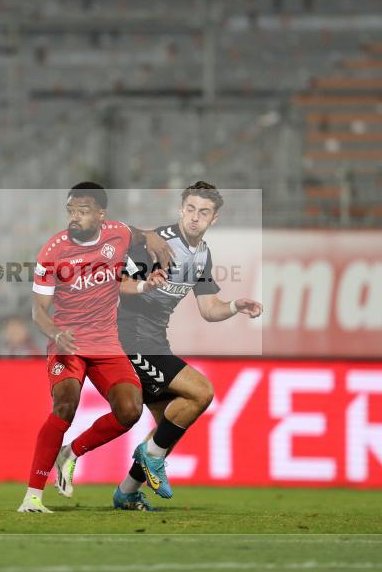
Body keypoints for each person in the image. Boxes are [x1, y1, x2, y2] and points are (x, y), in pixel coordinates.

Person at [53, 181, 263, 511]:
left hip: (156, 343)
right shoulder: (156, 245)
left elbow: (209, 309)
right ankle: (136, 463)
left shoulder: (202, 255)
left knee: (168, 426)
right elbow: (111, 281)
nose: (195, 217)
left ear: (214, 218)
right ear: (181, 209)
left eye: (203, 212)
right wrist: (143, 283)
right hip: (128, 339)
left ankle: (125, 490)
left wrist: (236, 305)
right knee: (201, 392)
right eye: (191, 209)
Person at [17, 182, 170, 513]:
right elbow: (37, 312)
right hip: (67, 343)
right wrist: (56, 333)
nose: (74, 217)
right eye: (71, 210)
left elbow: (137, 238)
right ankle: (32, 496)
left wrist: (152, 239)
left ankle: (71, 452)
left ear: (101, 215)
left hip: (105, 344)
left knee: (130, 411)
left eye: (83, 211)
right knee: (65, 407)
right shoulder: (52, 252)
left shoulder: (117, 234)